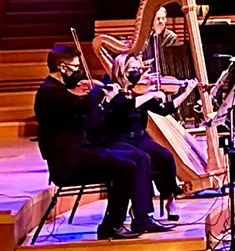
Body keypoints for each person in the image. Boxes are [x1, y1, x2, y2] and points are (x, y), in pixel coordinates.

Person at [34, 45, 163, 239]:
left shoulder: (60, 90)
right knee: (126, 166)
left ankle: (138, 218)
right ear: (62, 67)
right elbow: (83, 106)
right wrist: (102, 94)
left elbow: (88, 116)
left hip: (81, 151)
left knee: (136, 159)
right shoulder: (50, 94)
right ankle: (111, 226)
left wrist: (103, 99)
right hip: (69, 161)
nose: (80, 72)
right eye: (76, 67)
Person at [105, 53, 198, 222]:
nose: (138, 73)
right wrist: (149, 95)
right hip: (121, 141)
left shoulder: (140, 91)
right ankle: (140, 209)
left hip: (140, 138)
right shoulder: (113, 91)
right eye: (133, 69)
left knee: (165, 156)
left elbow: (165, 109)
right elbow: (123, 107)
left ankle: (170, 199)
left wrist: (187, 92)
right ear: (122, 71)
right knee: (145, 160)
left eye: (139, 69)